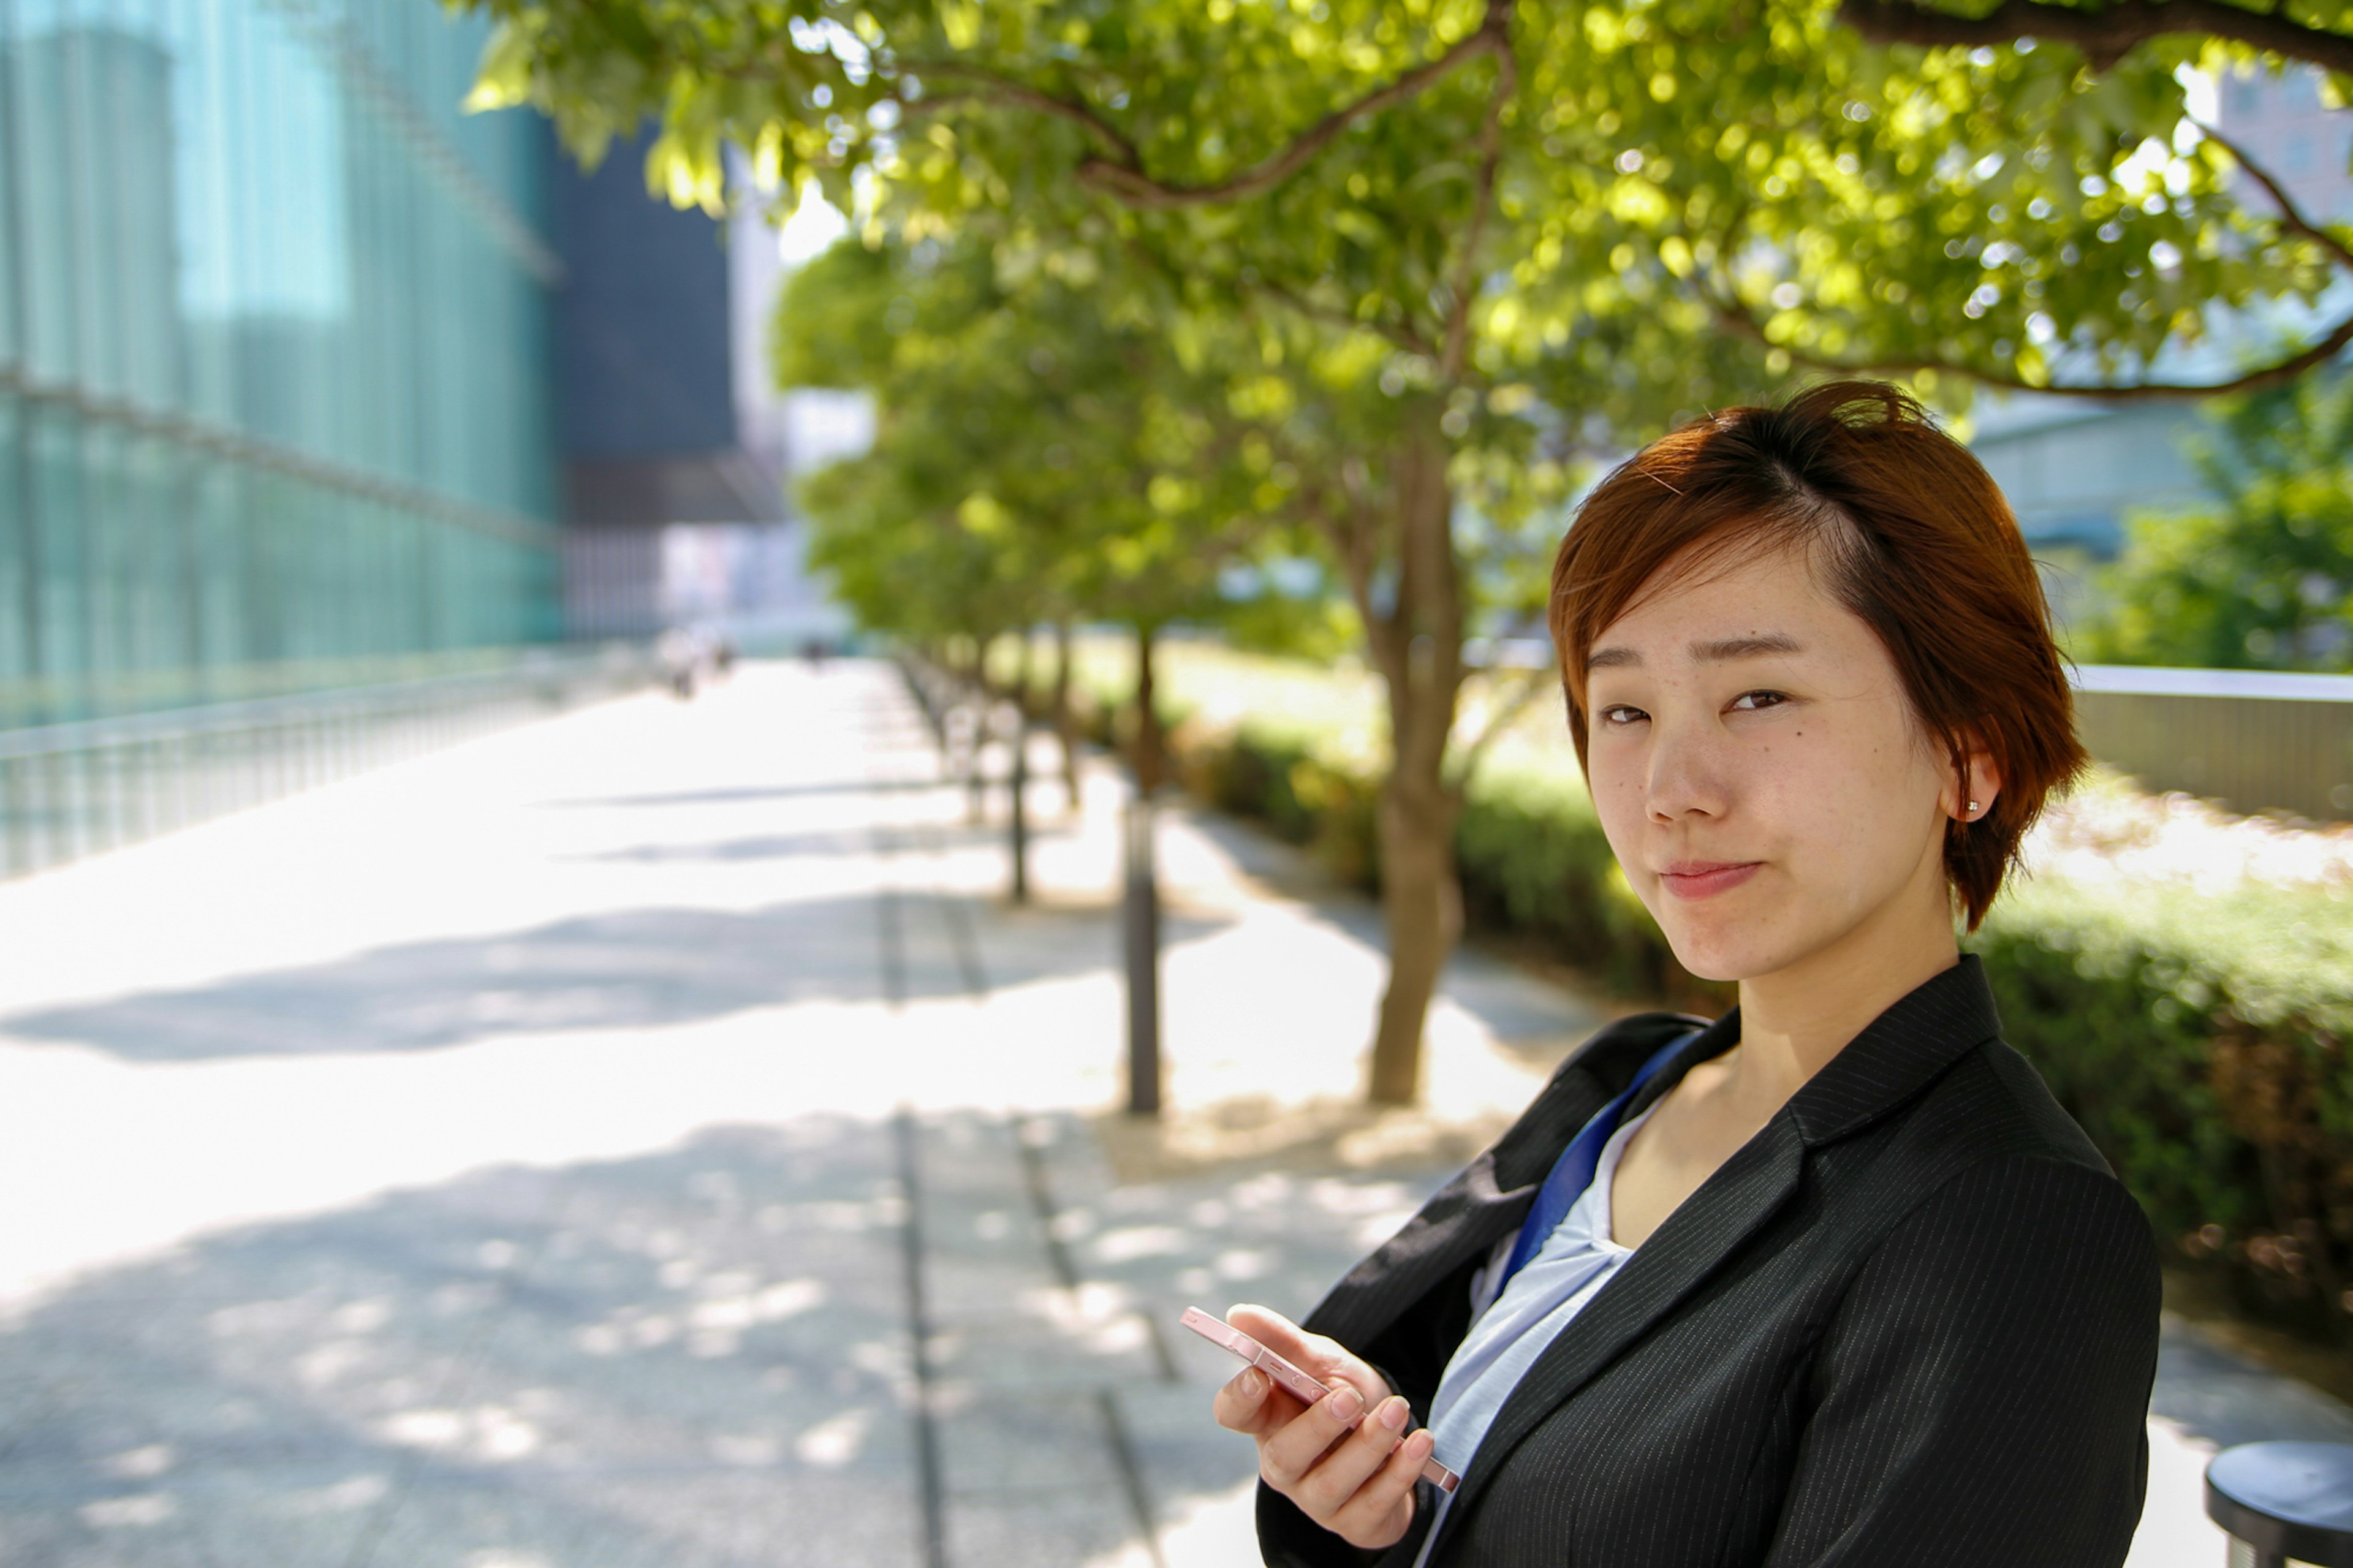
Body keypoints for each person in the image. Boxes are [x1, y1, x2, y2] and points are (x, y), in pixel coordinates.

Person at [1213, 381, 2161, 1568]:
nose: (1672, 787)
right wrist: (1378, 1510)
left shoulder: (2007, 1229)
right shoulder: (1635, 1080)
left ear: (1969, 752)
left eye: (1757, 694)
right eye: (1623, 708)